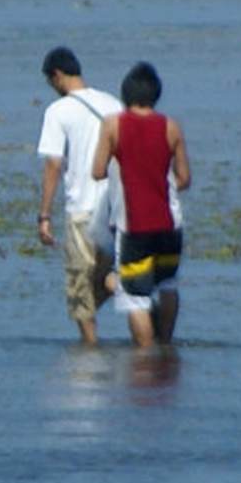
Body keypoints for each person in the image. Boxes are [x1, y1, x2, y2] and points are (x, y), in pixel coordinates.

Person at [92, 61, 192, 348]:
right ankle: (167, 347)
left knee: (134, 296)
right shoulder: (171, 127)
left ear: (125, 93)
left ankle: (146, 356)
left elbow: (97, 171)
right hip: (170, 224)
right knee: (168, 285)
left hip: (133, 224)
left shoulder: (113, 125)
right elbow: (184, 178)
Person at [35, 45, 123, 345]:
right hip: (115, 208)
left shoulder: (58, 111)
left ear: (57, 76)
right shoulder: (112, 103)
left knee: (78, 287)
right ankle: (137, 300)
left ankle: (90, 350)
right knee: (104, 276)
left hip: (82, 210)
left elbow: (53, 164)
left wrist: (44, 215)